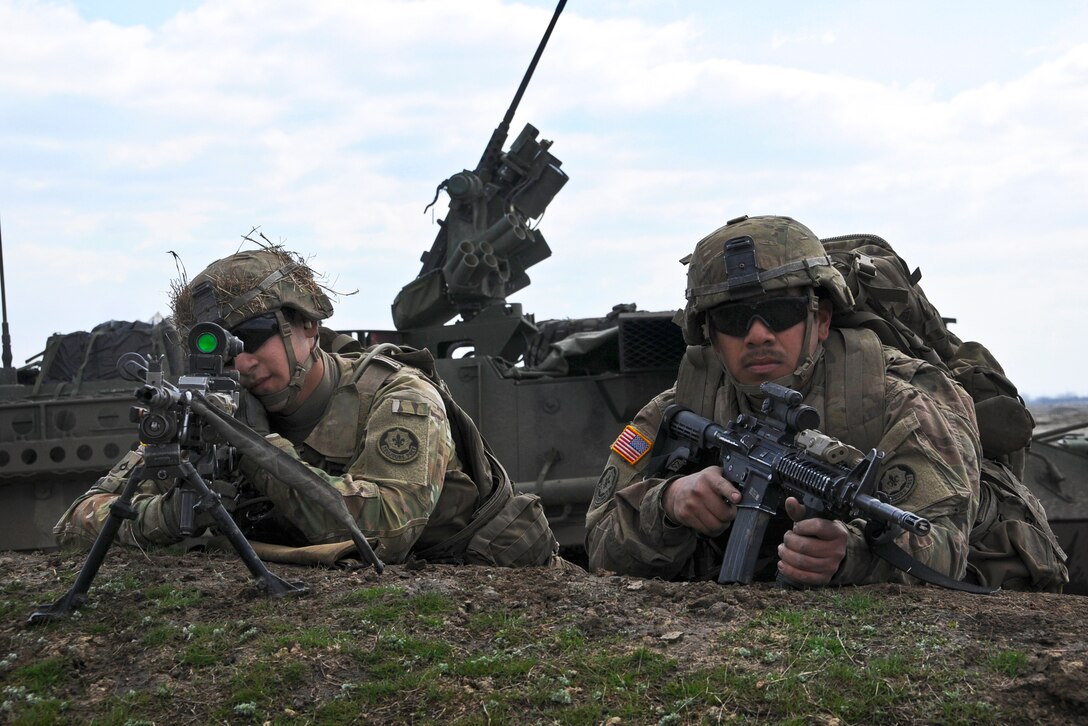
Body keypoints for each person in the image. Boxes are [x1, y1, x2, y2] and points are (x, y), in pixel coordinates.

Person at [55, 244, 558, 567]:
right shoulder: (213, 405)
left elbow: (386, 530)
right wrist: (165, 516)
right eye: (220, 346)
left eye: (252, 338)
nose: (242, 362)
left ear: (307, 326)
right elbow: (77, 519)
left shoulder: (397, 394)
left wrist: (252, 446)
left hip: (480, 582)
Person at [585, 214, 983, 586]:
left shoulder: (897, 404)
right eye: (733, 320)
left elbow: (945, 547)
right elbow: (599, 547)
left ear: (821, 319)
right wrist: (667, 504)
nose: (758, 335)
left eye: (779, 312)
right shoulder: (676, 410)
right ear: (709, 335)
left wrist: (853, 555)